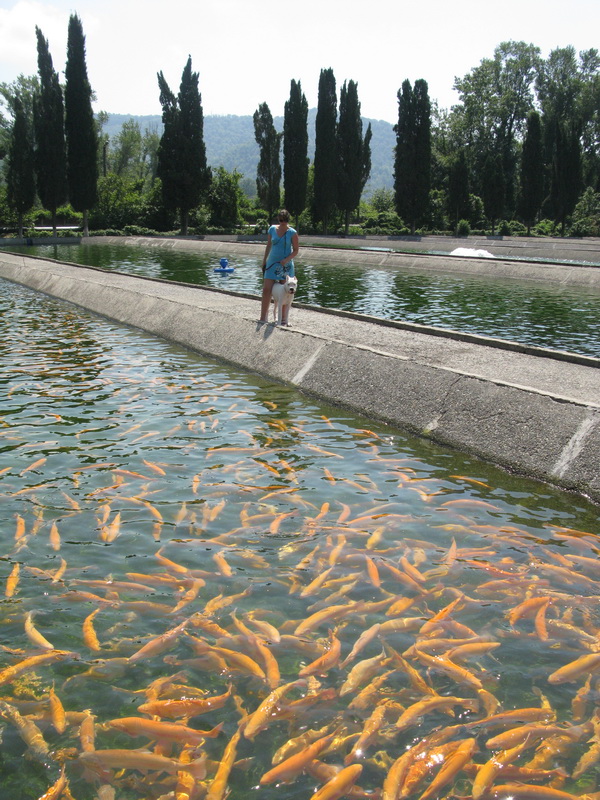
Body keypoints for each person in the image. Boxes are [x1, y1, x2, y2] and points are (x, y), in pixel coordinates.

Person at [259, 209, 299, 325]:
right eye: (281, 220)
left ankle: (283, 319)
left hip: (285, 266)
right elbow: (268, 245)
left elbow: (296, 250)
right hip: (272, 263)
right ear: (278, 220)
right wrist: (264, 260)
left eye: (285, 221)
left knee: (285, 291)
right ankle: (263, 317)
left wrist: (286, 259)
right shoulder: (272, 229)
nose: (283, 223)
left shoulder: (292, 232)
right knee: (267, 289)